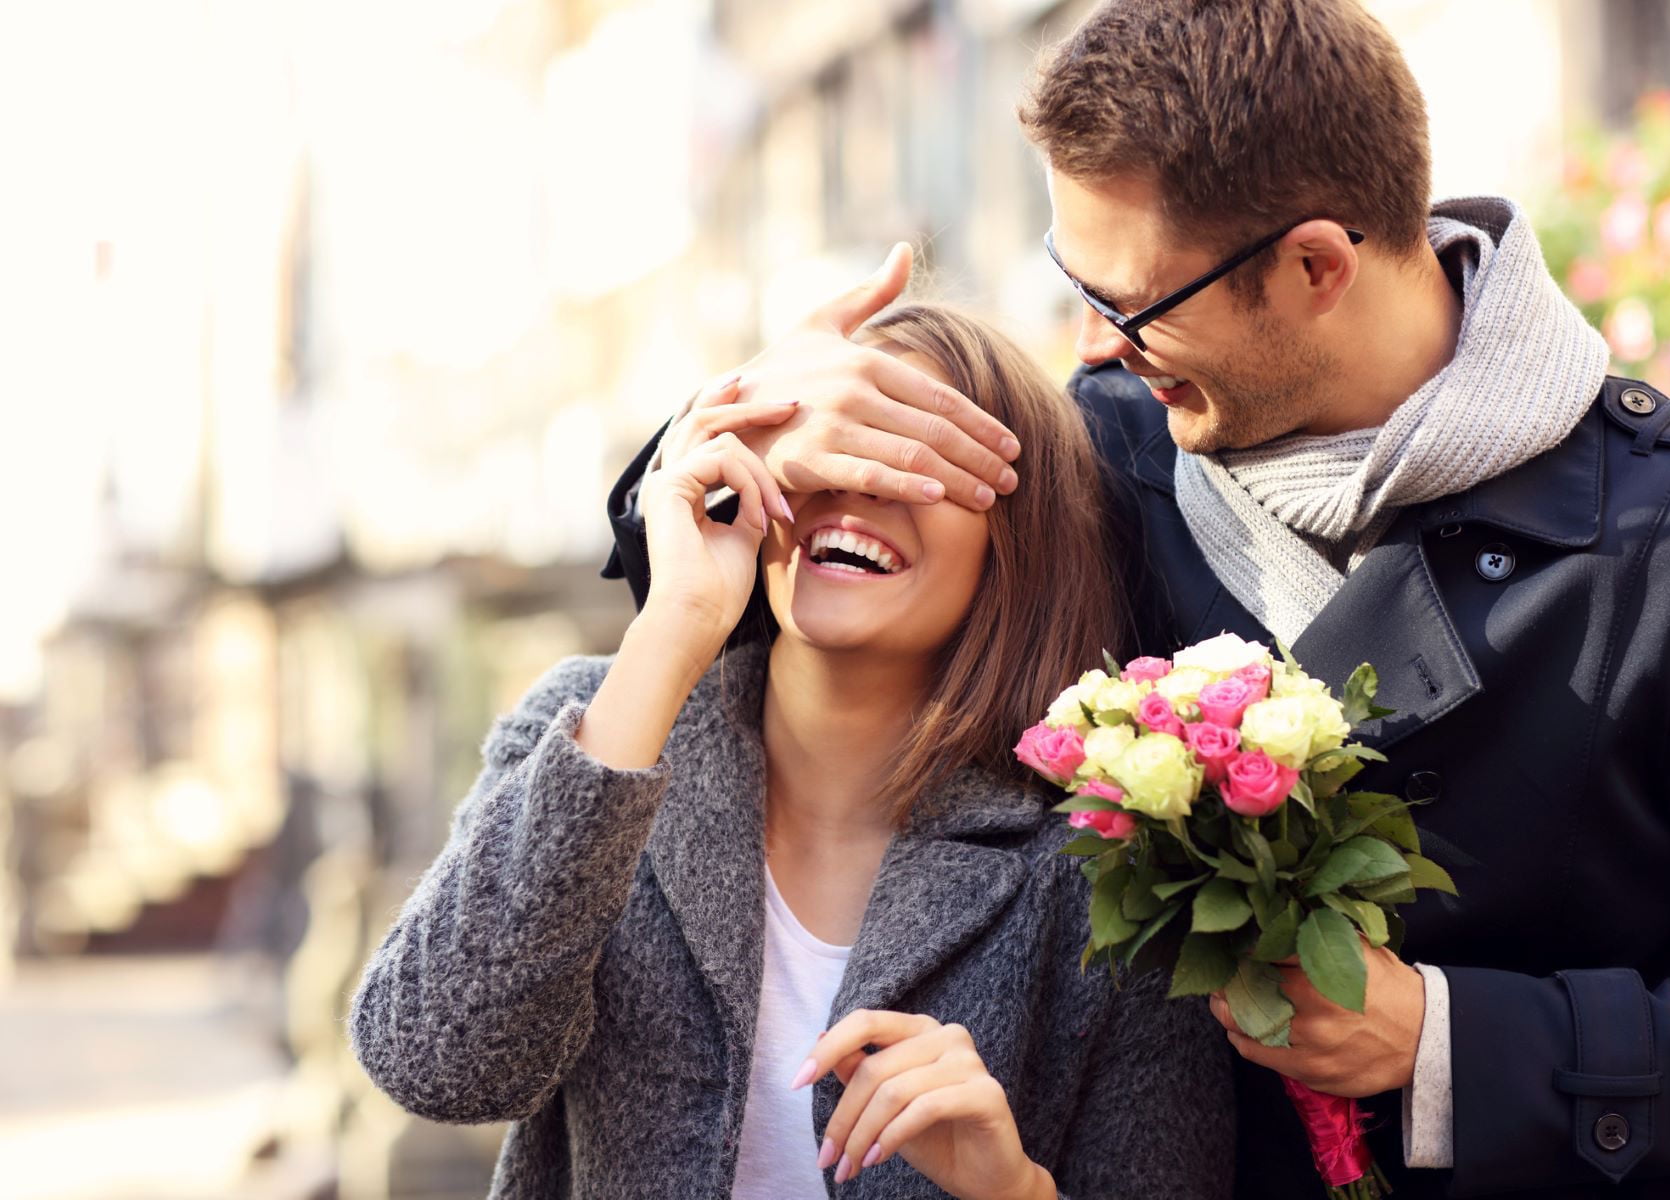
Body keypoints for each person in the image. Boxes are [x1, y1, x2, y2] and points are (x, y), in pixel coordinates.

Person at [602, 2, 1670, 1196]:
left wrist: (1444, 1040)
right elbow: (779, 599)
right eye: (1079, 283)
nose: (1096, 342)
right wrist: (757, 417)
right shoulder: (1098, 455)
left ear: (1317, 264)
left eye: (1137, 304)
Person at [350, 304, 1235, 1200]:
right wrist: (676, 624)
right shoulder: (597, 722)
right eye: (830, 447)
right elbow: (436, 1062)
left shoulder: (1100, 866)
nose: (859, 484)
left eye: (915, 456)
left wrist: (1013, 1191)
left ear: (1017, 542)